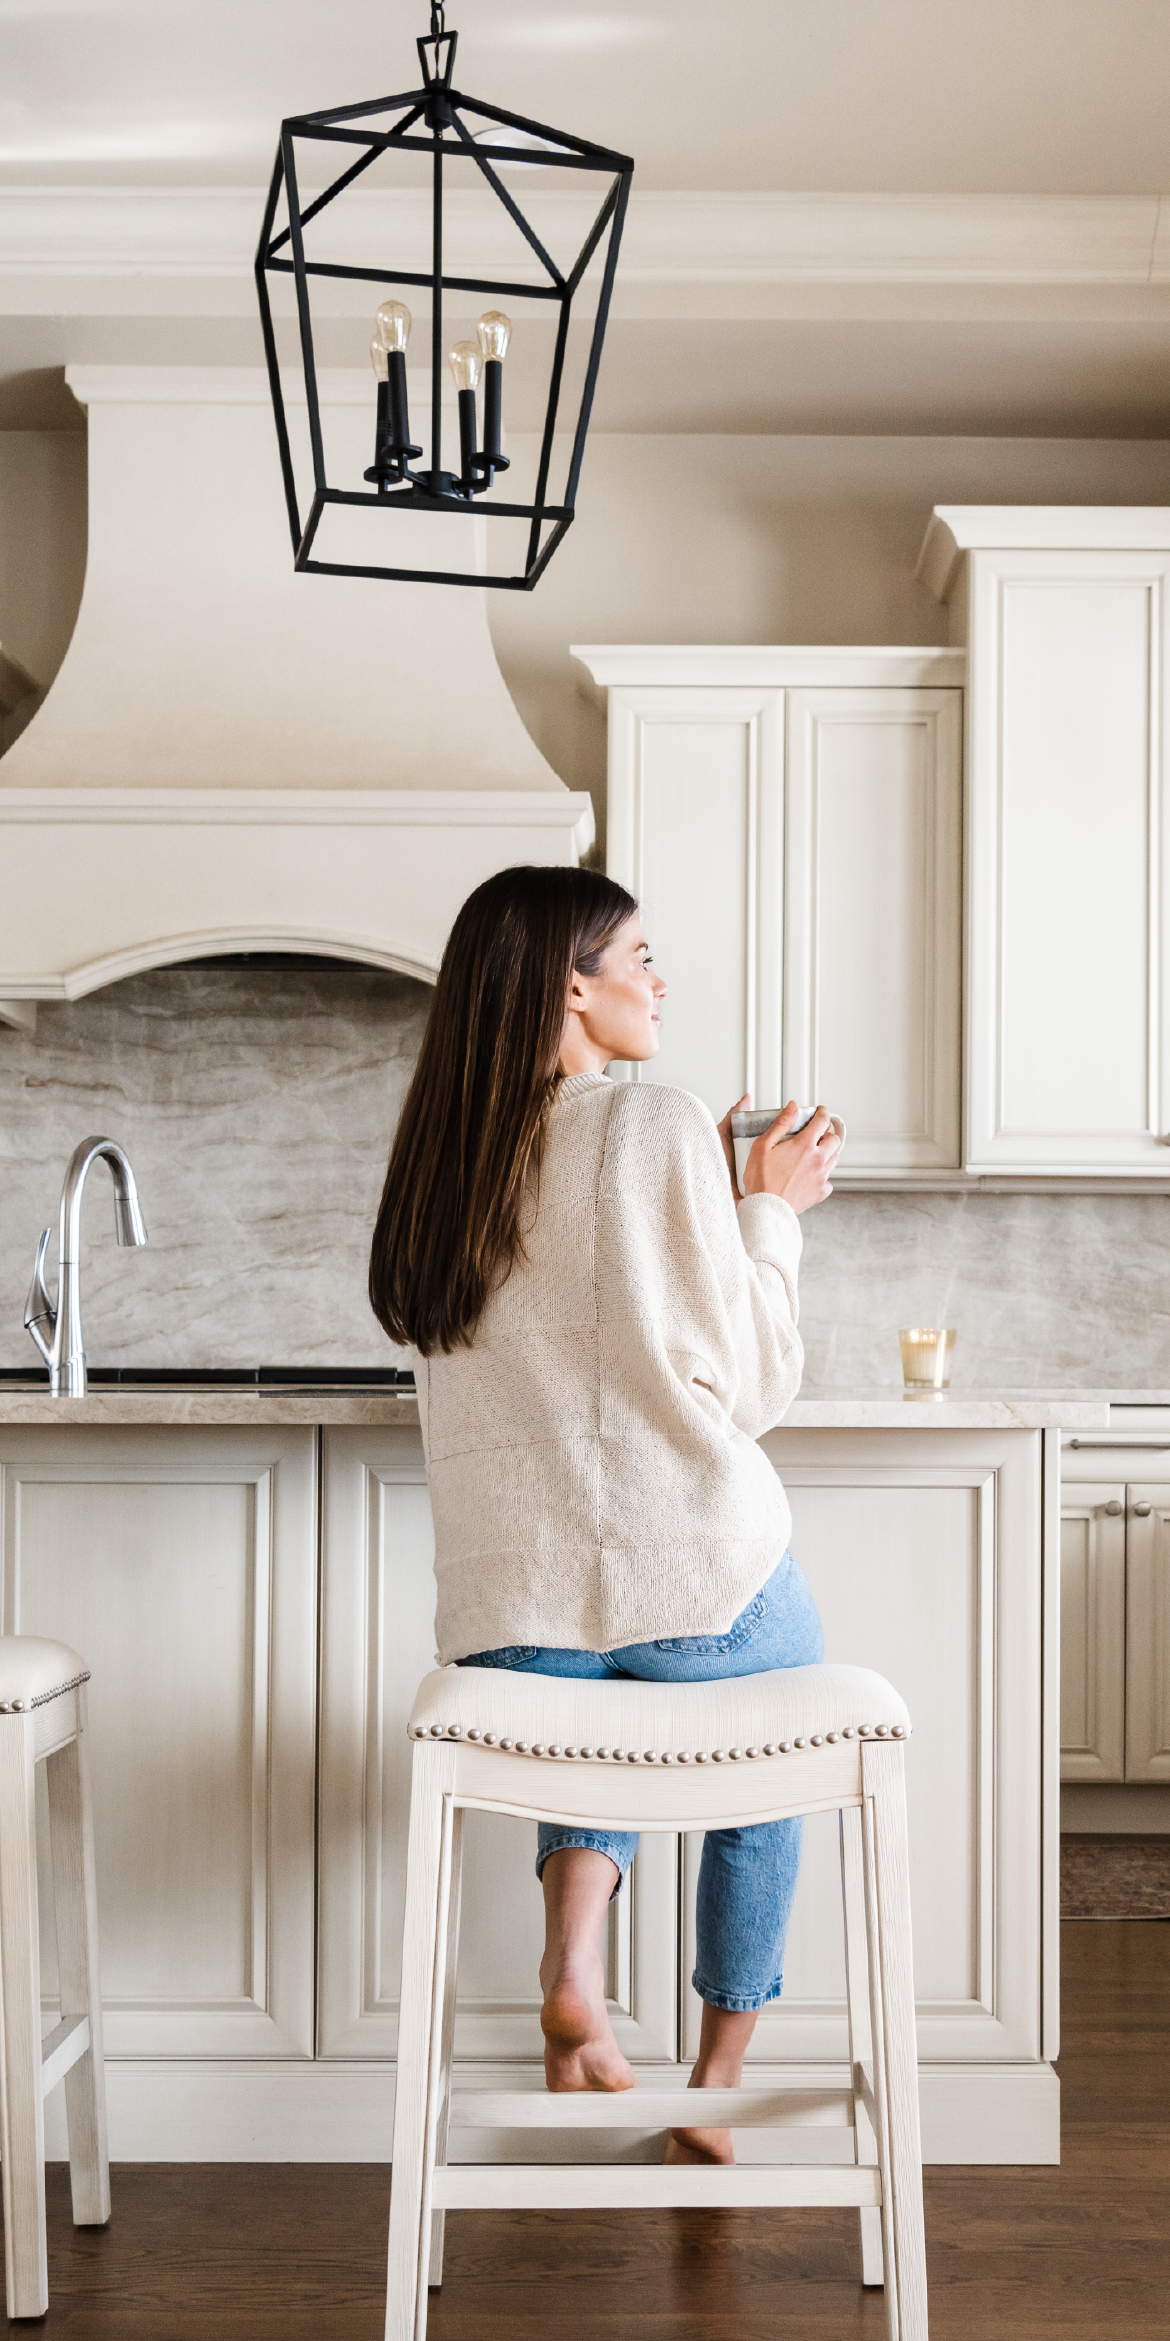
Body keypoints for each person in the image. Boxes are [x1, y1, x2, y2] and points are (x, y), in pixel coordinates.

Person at [369, 863, 840, 2160]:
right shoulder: (647, 1123)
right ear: (572, 987)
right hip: (699, 1575)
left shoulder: (443, 1160)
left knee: (593, 1712)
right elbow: (750, 1376)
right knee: (766, 1774)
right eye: (638, 956)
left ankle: (571, 1959)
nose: (657, 979)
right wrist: (771, 1212)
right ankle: (716, 2087)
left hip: (507, 1614)